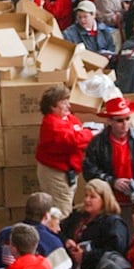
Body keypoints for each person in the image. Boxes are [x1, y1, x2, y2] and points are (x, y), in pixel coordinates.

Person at [34, 86, 92, 215]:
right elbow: (75, 141)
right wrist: (88, 134)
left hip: (68, 172)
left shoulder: (68, 118)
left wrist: (82, 134)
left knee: (65, 206)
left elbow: (79, 134)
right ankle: (62, 234)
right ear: (53, 107)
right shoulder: (52, 125)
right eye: (64, 103)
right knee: (62, 212)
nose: (68, 106)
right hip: (56, 174)